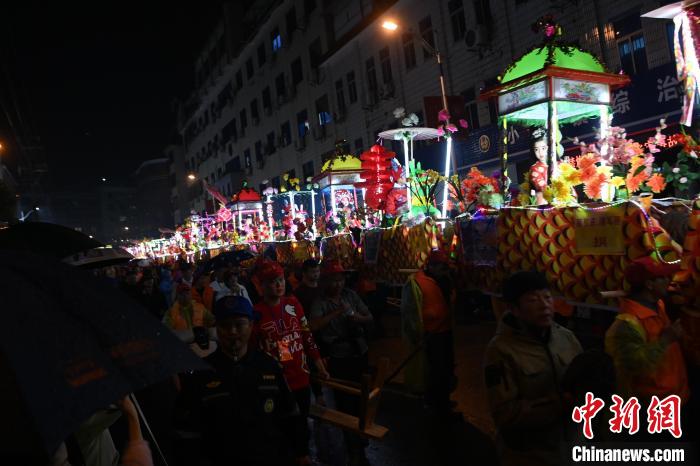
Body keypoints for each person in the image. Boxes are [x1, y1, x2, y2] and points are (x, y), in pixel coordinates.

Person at [179, 295, 298, 466]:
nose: (233, 331)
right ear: (217, 329)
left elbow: (289, 415)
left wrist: (296, 452)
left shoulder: (269, 366)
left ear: (250, 325)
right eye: (225, 326)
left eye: (239, 324)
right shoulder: (202, 373)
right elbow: (187, 431)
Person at [484, 271, 583, 466]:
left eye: (547, 297)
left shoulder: (566, 338)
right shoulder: (500, 350)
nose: (544, 305)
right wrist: (559, 403)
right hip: (529, 455)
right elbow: (505, 414)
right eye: (532, 300)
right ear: (514, 309)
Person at [251, 259, 329, 466]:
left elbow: (306, 335)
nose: (278, 285)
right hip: (275, 380)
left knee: (301, 419)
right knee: (280, 421)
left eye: (280, 280)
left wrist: (318, 363)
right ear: (261, 285)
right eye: (271, 282)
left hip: (300, 375)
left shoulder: (293, 304)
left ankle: (303, 454)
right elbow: (252, 348)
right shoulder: (256, 313)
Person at [310, 260, 373, 465]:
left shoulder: (350, 295)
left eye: (340, 279)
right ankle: (351, 442)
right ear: (325, 281)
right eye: (333, 280)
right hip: (339, 356)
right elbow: (314, 325)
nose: (338, 284)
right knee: (345, 400)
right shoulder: (320, 302)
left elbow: (369, 316)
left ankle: (361, 433)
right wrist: (338, 312)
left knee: (363, 396)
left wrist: (356, 318)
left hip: (359, 351)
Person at [605, 257, 689, 404]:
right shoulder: (628, 322)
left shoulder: (658, 304)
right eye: (661, 278)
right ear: (649, 284)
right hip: (654, 404)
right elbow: (635, 365)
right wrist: (665, 340)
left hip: (676, 396)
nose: (667, 280)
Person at [401, 250, 458, 419]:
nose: (444, 271)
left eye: (446, 267)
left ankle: (444, 401)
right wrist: (415, 335)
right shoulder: (416, 282)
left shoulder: (444, 280)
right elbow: (409, 312)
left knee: (446, 367)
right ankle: (435, 404)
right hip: (429, 334)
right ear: (431, 266)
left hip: (445, 331)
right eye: (441, 267)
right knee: (434, 370)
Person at [528, 131, 549, 206]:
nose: (540, 152)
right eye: (536, 149)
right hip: (544, 202)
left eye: (543, 148)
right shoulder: (535, 168)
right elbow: (542, 188)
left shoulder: (559, 164)